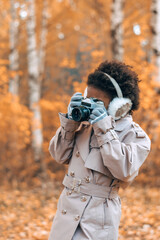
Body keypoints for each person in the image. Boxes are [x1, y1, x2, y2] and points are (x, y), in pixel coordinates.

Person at [48, 60, 151, 240]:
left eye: (96, 101)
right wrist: (70, 123)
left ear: (119, 105)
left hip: (97, 218)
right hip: (67, 210)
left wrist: (104, 129)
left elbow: (124, 171)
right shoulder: (85, 127)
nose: (89, 104)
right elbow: (59, 155)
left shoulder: (136, 136)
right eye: (87, 97)